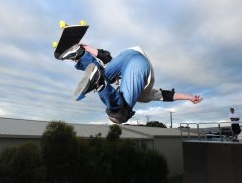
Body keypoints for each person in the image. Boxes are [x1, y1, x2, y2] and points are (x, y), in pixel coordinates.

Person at [59, 44, 203, 124]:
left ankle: (81, 55)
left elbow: (104, 56)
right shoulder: (143, 96)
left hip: (128, 53)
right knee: (120, 115)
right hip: (140, 64)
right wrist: (189, 97)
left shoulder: (118, 78)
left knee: (102, 73)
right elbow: (166, 95)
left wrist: (84, 47)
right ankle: (100, 85)